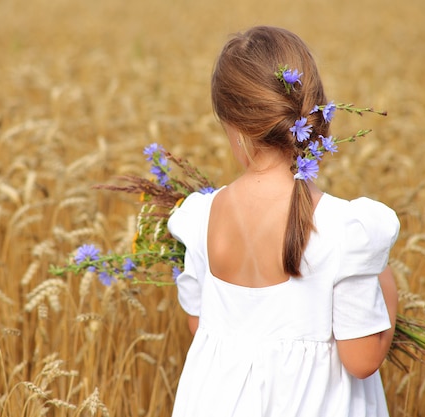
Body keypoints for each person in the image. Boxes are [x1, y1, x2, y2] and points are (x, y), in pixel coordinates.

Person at [167, 26, 399, 417]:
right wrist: (387, 288)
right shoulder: (346, 231)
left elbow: (201, 326)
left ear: (233, 126)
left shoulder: (199, 218)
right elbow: (362, 360)